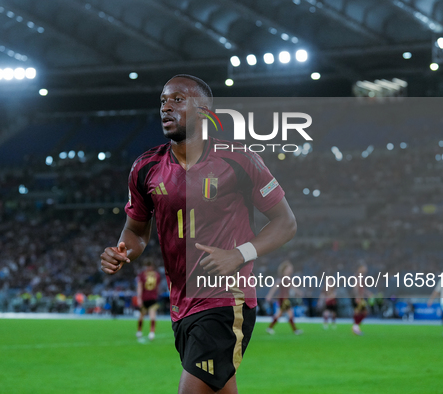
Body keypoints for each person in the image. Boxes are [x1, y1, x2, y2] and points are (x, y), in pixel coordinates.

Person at [101, 74, 297, 394]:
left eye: (178, 100)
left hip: (225, 301)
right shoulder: (145, 168)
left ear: (204, 111)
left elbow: (285, 223)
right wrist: (124, 251)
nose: (166, 107)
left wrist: (239, 254)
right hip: (181, 305)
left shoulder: (239, 159)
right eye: (163, 100)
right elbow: (135, 231)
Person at [265, 260, 303, 335]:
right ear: (285, 269)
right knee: (289, 313)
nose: (291, 270)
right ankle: (295, 330)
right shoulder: (282, 278)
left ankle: (270, 328)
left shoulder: (287, 278)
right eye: (289, 268)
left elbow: (293, 287)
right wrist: (269, 295)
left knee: (280, 314)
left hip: (284, 299)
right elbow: (275, 287)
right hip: (283, 299)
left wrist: (299, 292)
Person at [136, 259, 162, 341]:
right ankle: (151, 333)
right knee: (152, 316)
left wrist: (139, 298)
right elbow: (158, 286)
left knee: (142, 316)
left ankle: (140, 331)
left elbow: (139, 287)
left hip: (145, 298)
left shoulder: (142, 275)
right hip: (153, 298)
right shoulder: (157, 275)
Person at [352, 264, 372, 336]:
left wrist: (368, 293)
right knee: (361, 312)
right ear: (360, 268)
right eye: (364, 268)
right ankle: (355, 327)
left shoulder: (361, 276)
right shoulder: (358, 276)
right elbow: (356, 287)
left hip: (361, 297)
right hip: (359, 297)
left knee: (362, 312)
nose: (366, 269)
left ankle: (355, 327)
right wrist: (357, 296)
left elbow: (362, 288)